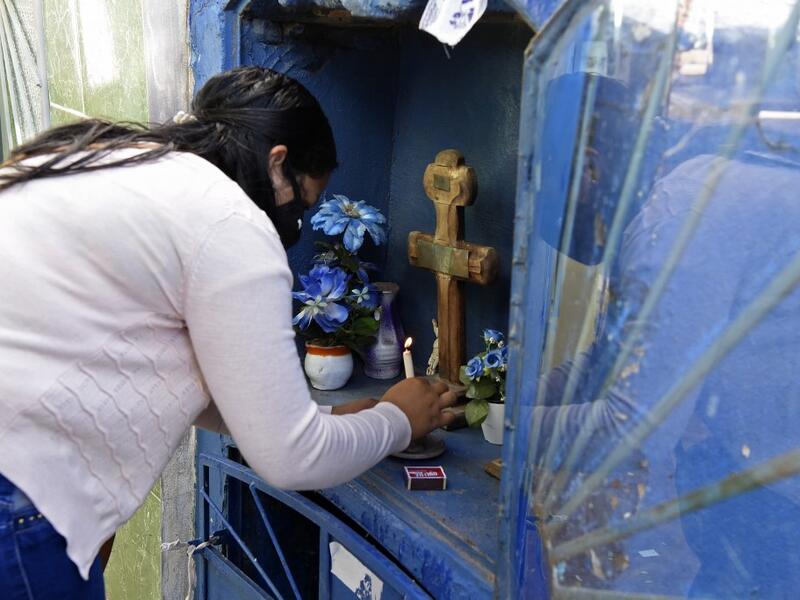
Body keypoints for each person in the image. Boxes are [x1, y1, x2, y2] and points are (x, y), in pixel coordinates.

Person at [0, 66, 456, 599]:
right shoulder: (228, 221)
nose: (297, 226)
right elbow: (291, 459)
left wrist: (328, 418)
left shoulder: (116, 160)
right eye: (304, 205)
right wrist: (400, 419)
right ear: (278, 163)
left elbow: (135, 357)